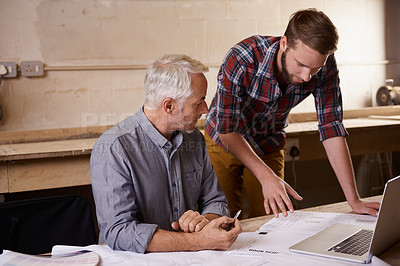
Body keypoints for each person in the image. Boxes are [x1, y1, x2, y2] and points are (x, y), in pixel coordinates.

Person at [205, 8, 380, 219]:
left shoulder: (325, 66)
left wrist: (354, 200)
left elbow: (331, 127)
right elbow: (226, 129)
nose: (307, 77)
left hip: (267, 142)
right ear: (284, 44)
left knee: (275, 221)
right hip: (223, 140)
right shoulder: (242, 58)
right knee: (223, 220)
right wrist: (265, 175)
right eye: (301, 65)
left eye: (314, 69)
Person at [90, 54, 241, 253]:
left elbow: (215, 201)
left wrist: (205, 222)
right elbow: (118, 231)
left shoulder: (194, 138)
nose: (205, 109)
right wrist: (199, 241)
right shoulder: (113, 148)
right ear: (169, 106)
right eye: (199, 102)